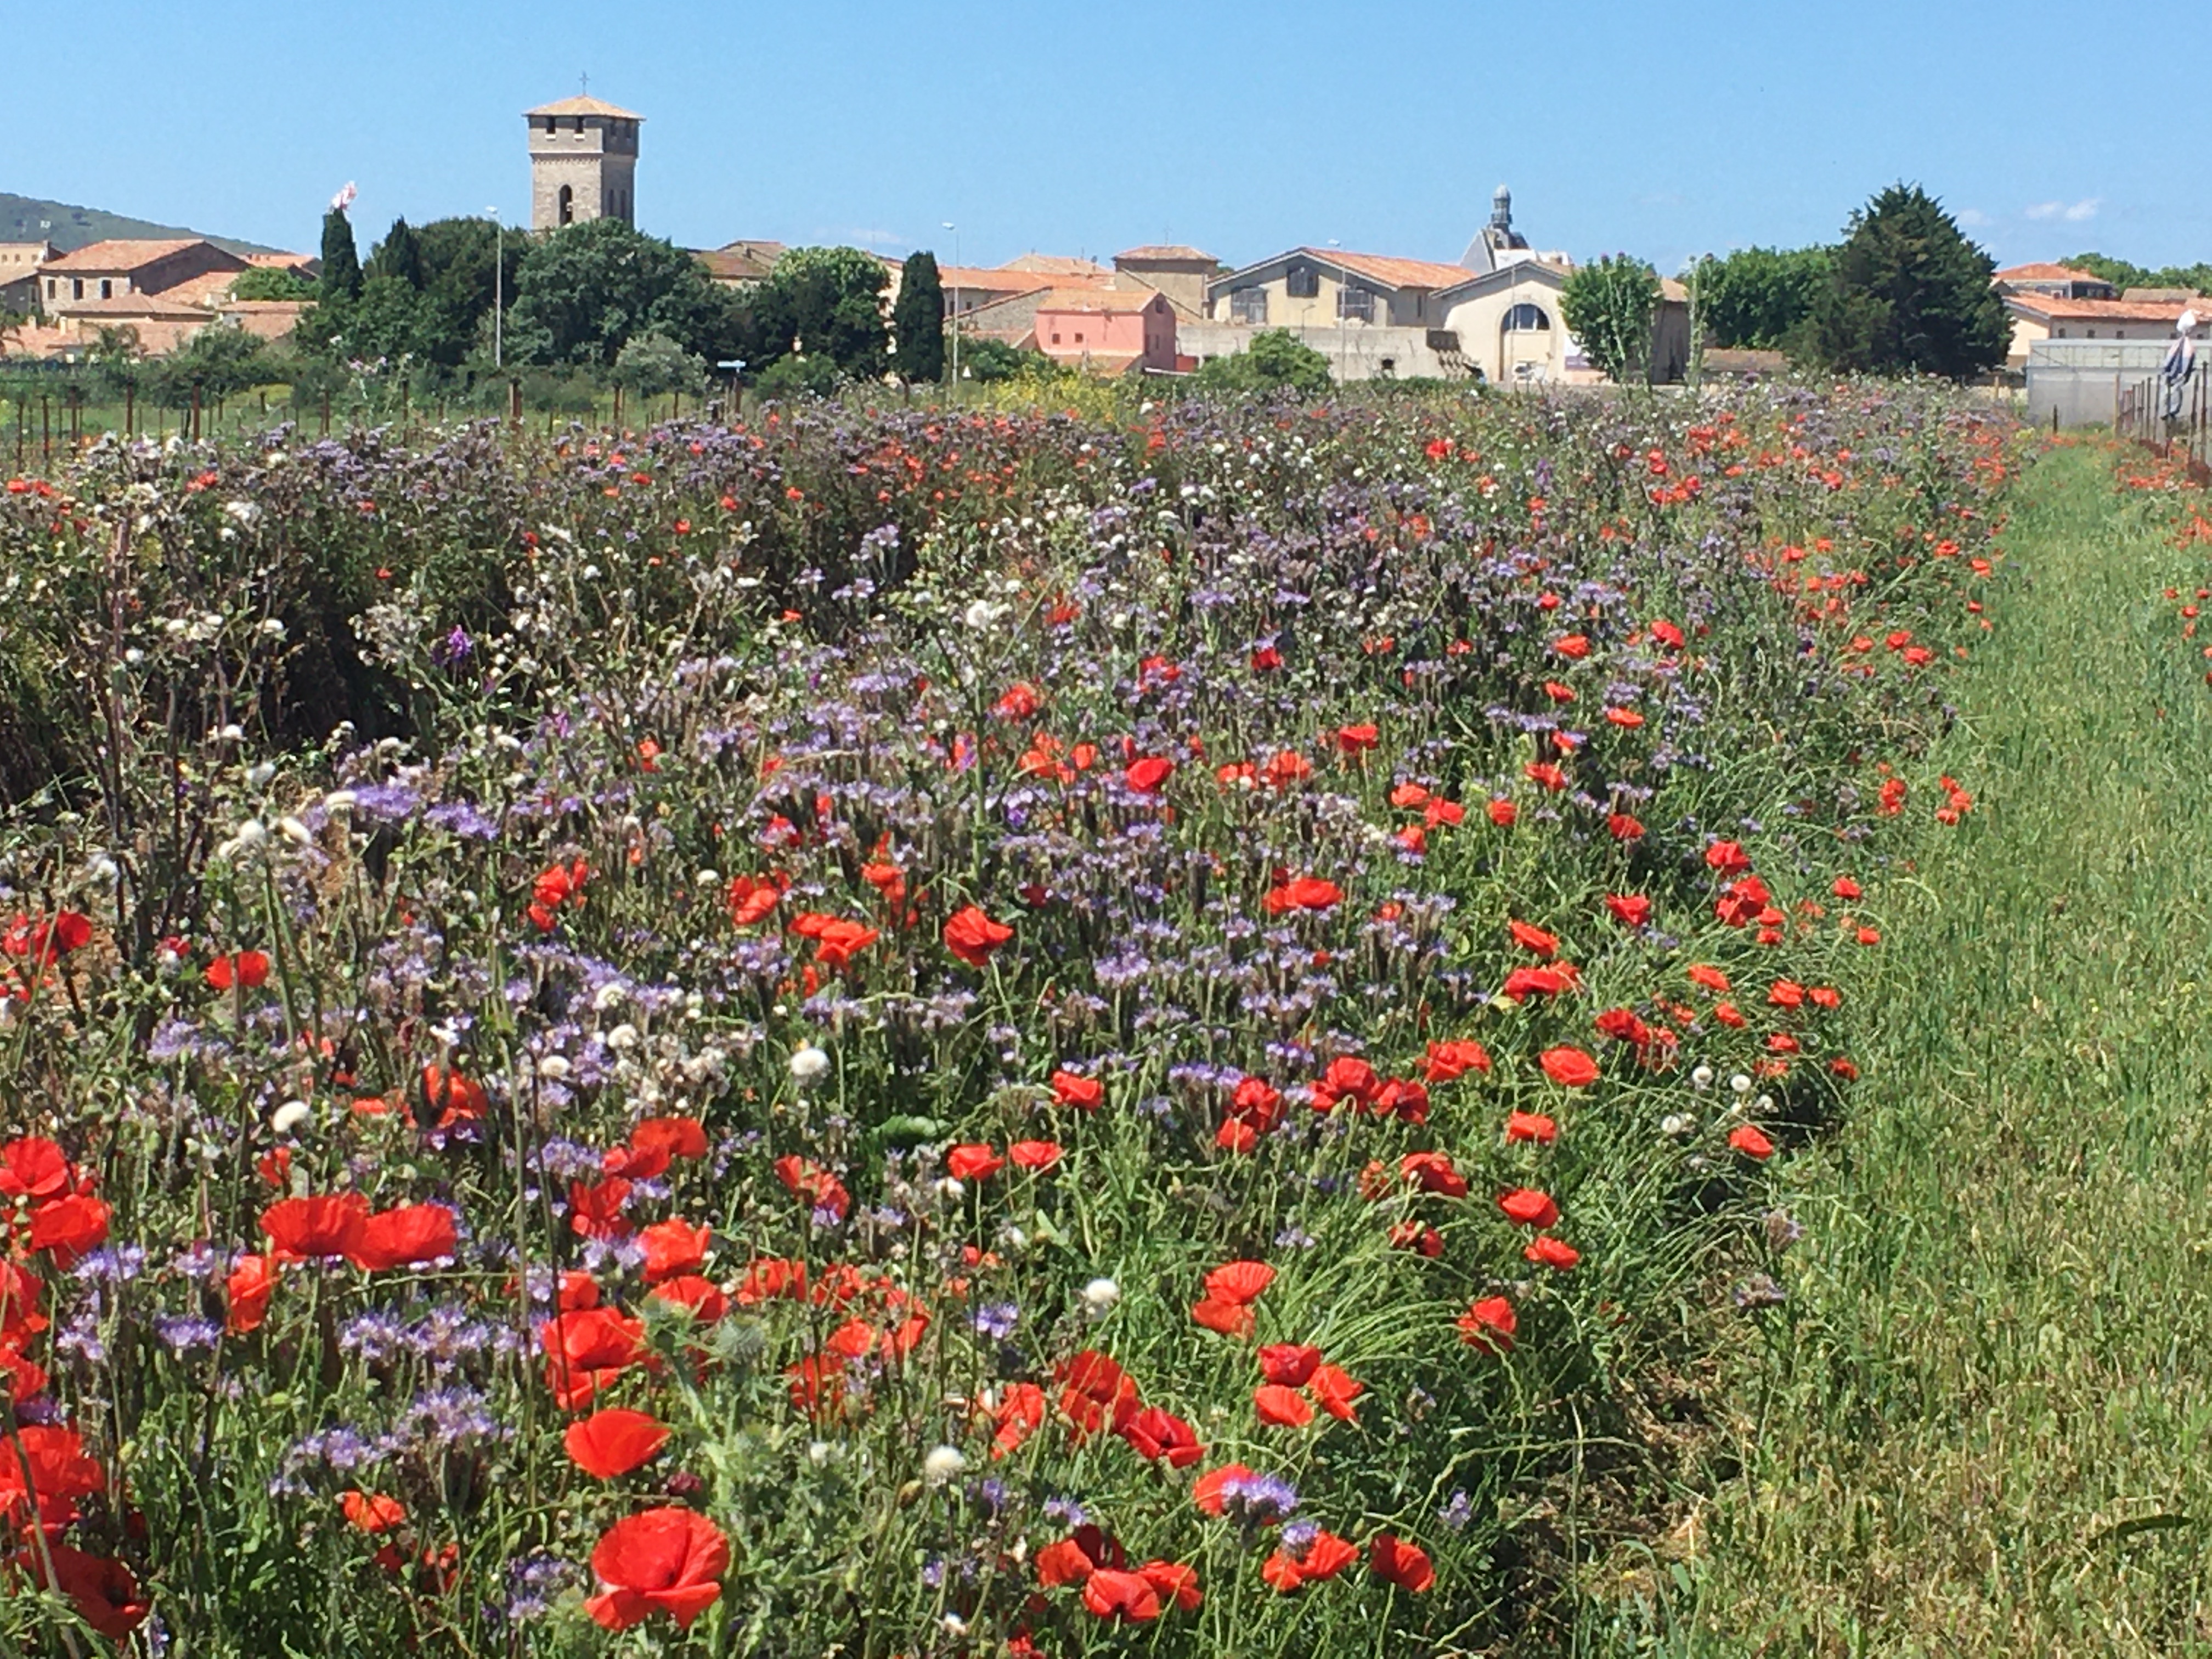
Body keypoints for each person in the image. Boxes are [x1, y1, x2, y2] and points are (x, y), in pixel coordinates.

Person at [2161, 308, 2198, 421]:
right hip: (2175, 373)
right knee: (2171, 391)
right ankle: (2169, 412)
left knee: (2172, 391)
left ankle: (2169, 412)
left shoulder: (2181, 344)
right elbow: (2184, 359)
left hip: (2174, 373)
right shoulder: (2182, 344)